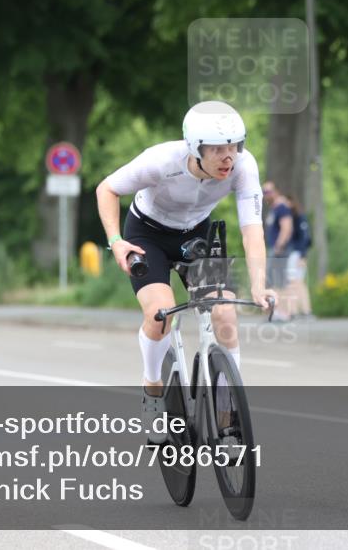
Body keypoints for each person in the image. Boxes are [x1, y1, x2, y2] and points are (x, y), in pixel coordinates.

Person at [95, 101, 274, 443]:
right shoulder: (161, 161)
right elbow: (107, 189)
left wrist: (259, 285)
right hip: (147, 235)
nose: (229, 157)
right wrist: (116, 241)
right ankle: (152, 389)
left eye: (235, 146)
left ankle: (227, 417)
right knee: (160, 314)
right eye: (218, 149)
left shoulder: (243, 167)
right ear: (195, 147)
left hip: (195, 234)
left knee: (225, 313)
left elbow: (253, 230)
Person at [262, 181, 293, 320]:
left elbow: (287, 227)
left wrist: (279, 246)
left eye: (268, 192)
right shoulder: (274, 208)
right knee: (273, 280)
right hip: (273, 249)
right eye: (264, 192)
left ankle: (284, 312)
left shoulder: (282, 207)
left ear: (276, 191)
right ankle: (277, 311)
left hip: (279, 250)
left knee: (280, 281)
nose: (266, 195)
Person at [284, 194, 312, 318]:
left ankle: (304, 311)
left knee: (297, 283)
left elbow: (305, 238)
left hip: (297, 254)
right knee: (294, 283)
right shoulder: (290, 218)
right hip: (293, 253)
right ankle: (295, 311)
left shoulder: (299, 217)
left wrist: (303, 256)